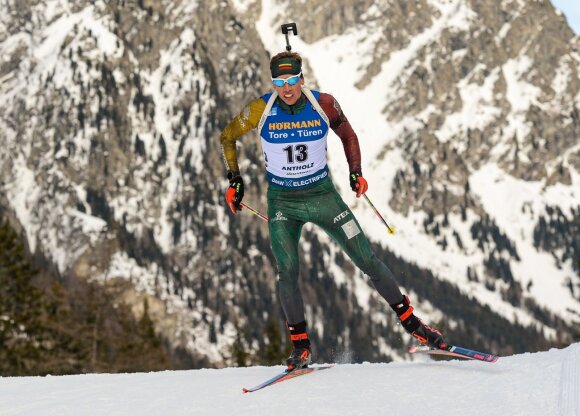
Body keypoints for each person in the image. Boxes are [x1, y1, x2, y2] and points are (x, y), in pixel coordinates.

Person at [220, 51, 446, 371]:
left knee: (367, 259)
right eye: (279, 82)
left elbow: (348, 134)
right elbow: (227, 137)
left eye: (292, 79)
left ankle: (417, 328)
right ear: (273, 83)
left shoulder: (323, 104)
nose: (287, 88)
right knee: (288, 270)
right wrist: (235, 180)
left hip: (324, 197)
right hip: (283, 204)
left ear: (302, 77)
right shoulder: (260, 108)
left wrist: (356, 171)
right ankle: (301, 349)